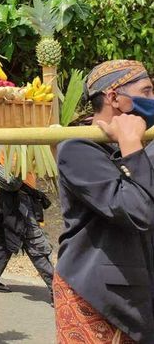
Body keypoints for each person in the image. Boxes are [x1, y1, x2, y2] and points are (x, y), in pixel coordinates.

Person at [54, 59, 154, 344]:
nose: (153, 99)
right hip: (96, 294)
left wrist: (133, 144)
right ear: (114, 98)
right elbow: (139, 211)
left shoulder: (140, 143)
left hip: (139, 289)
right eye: (146, 91)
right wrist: (131, 147)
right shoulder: (77, 148)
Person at [0, 166, 54, 298]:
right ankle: (58, 291)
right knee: (34, 242)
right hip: (20, 197)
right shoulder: (18, 147)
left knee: (7, 236)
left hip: (13, 195)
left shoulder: (4, 147)